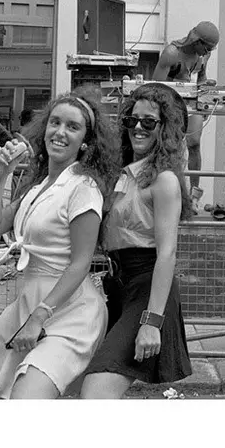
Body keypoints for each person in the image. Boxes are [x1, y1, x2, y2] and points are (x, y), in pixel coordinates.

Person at [0, 92, 119, 398]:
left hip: (69, 309)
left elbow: (80, 263)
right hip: (30, 300)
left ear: (86, 142)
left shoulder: (84, 188)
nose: (60, 132)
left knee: (25, 396)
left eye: (72, 127)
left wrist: (39, 317)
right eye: (55, 122)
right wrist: (0, 174)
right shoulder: (38, 184)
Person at [81, 82, 194, 397]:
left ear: (164, 128)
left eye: (149, 122)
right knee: (82, 380)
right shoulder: (121, 174)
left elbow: (167, 253)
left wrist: (152, 321)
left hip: (147, 288)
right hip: (116, 286)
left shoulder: (164, 180)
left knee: (97, 389)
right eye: (132, 120)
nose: (138, 128)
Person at [155, 20, 219, 194]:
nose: (208, 53)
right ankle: (171, 192)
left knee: (194, 144)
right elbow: (155, 89)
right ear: (196, 41)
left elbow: (201, 78)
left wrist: (206, 88)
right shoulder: (171, 53)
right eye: (206, 48)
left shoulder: (204, 55)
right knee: (171, 148)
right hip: (171, 104)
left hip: (192, 103)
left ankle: (194, 193)